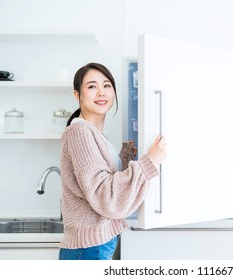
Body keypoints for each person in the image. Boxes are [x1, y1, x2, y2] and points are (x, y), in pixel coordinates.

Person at [58, 62, 167, 260]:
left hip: (94, 245)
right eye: (92, 86)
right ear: (77, 95)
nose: (101, 92)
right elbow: (104, 195)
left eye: (107, 85)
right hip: (89, 248)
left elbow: (101, 180)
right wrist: (150, 162)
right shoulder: (80, 131)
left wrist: (124, 159)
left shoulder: (94, 133)